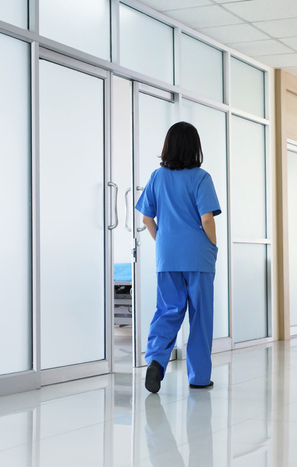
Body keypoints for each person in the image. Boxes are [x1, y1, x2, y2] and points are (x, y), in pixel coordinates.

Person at [135, 121, 221, 393]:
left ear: (168, 147)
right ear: (195, 147)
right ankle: (198, 378)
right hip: (198, 256)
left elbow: (147, 217)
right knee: (200, 317)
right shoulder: (201, 177)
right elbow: (207, 218)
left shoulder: (157, 177)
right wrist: (213, 246)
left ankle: (156, 362)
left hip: (168, 256)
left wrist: (162, 241)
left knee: (168, 310)